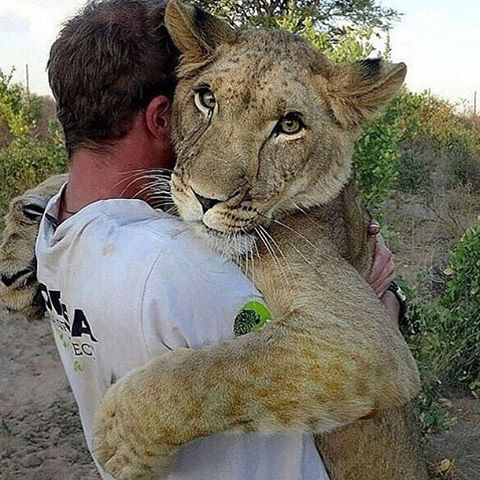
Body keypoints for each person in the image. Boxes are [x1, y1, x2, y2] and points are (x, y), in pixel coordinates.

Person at [34, 0, 402, 479]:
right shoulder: (177, 268)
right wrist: (384, 301)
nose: (213, 184)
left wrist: (163, 401)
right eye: (207, 101)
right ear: (162, 114)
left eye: (287, 125)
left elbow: (372, 360)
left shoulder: (66, 229)